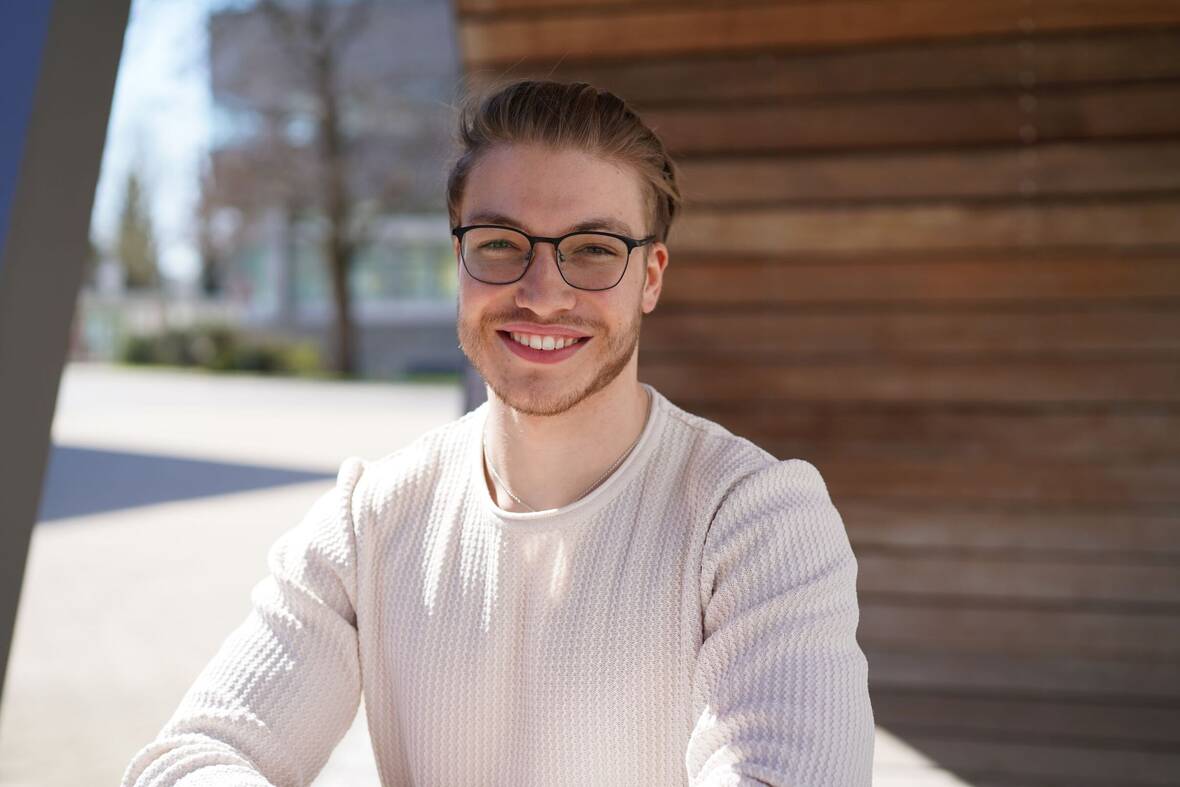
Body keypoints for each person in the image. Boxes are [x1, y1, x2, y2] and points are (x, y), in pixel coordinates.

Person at [122, 80, 874, 787]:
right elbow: (197, 753)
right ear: (459, 259)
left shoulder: (757, 519)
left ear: (651, 277)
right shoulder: (371, 516)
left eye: (593, 250)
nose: (543, 293)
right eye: (500, 243)